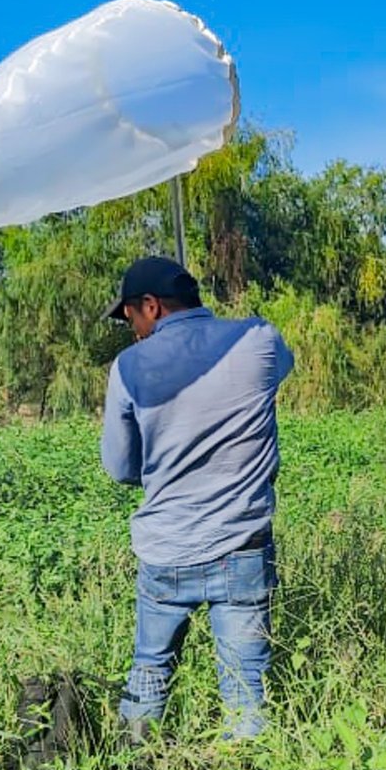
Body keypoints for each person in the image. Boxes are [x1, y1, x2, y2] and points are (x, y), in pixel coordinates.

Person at [100, 256, 294, 742]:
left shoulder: (129, 368)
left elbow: (119, 468)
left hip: (166, 550)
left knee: (149, 671)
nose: (132, 332)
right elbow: (280, 372)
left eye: (131, 319)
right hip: (241, 546)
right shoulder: (258, 339)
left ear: (151, 306)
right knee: (246, 689)